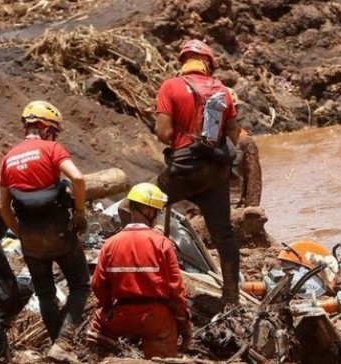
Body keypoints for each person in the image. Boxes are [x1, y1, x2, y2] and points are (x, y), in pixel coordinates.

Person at [0, 100, 90, 362]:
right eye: (55, 131)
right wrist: (80, 213)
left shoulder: (8, 158)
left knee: (46, 293)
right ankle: (62, 343)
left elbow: (2, 206)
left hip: (30, 240)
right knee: (80, 285)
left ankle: (55, 346)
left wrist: (20, 232)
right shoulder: (51, 148)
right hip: (59, 232)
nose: (55, 136)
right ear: (46, 128)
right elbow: (79, 179)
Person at [154, 39, 241, 308]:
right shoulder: (223, 91)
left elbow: (164, 133)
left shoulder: (170, 86)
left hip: (183, 169)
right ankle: (231, 296)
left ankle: (145, 273)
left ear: (183, 62)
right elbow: (234, 135)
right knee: (223, 234)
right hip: (215, 171)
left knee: (137, 207)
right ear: (208, 64)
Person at [87, 183, 191, 360]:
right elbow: (176, 290)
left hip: (120, 315)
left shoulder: (110, 244)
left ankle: (98, 359)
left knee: (98, 326)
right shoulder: (162, 243)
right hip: (156, 319)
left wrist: (108, 307)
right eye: (156, 212)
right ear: (149, 212)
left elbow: (98, 285)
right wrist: (183, 323)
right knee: (163, 355)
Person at [225, 87, 262, 208]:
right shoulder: (208, 139)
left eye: (233, 109)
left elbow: (254, 181)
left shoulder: (245, 141)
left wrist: (251, 211)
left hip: (235, 207)